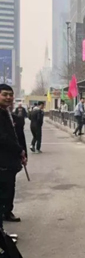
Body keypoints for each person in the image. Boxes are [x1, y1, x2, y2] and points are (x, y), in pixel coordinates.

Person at [0, 84, 27, 227]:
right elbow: (3, 138)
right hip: (2, 161)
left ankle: (7, 212)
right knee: (4, 190)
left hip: (10, 160)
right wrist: (19, 150)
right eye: (5, 94)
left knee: (10, 187)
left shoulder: (8, 113)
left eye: (10, 95)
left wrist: (22, 153)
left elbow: (17, 136)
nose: (8, 97)